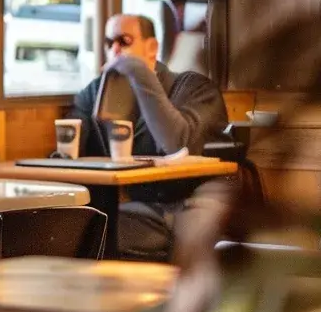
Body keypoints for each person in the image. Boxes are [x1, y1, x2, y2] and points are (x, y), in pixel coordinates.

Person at [67, 14, 227, 262]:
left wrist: (138, 72)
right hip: (126, 207)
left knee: (99, 233)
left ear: (152, 47)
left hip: (187, 207)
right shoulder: (94, 95)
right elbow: (70, 148)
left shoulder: (194, 88)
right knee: (65, 228)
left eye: (124, 40)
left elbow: (178, 144)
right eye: (110, 43)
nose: (115, 49)